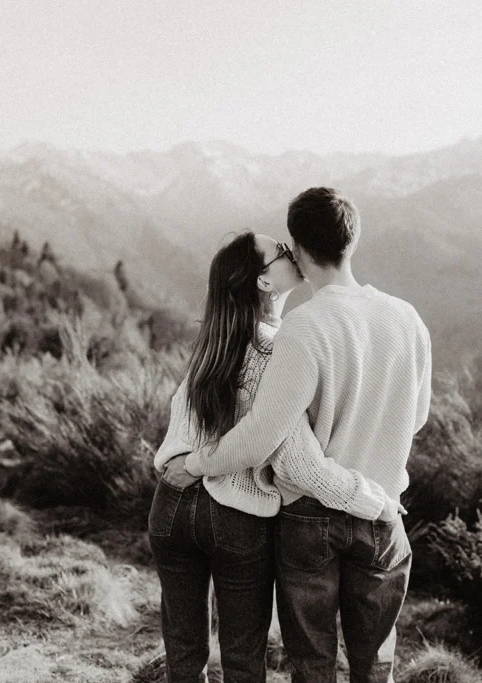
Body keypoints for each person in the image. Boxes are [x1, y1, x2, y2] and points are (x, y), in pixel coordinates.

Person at [170, 188, 432, 683]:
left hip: (311, 520)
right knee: (376, 665)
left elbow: (264, 435)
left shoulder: (302, 329)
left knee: (312, 666)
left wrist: (199, 463)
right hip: (383, 509)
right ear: (353, 240)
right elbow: (416, 418)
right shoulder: (408, 319)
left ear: (301, 248)